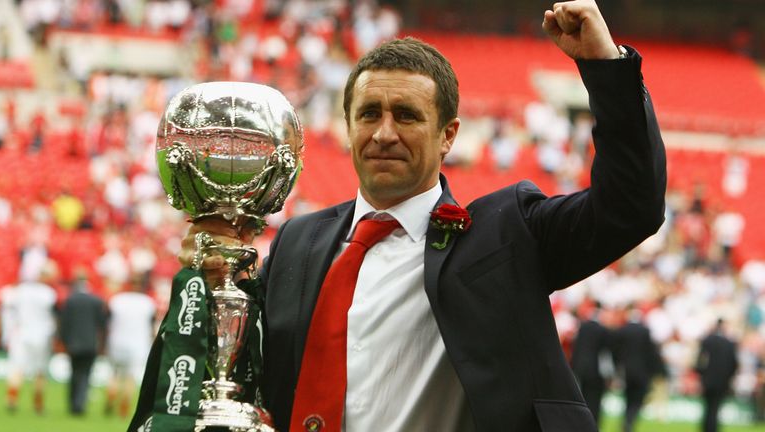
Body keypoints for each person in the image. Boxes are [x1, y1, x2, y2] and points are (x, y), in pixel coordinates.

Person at [175, 1, 667, 430]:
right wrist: (211, 274)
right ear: (348, 126)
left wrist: (606, 67)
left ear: (448, 135)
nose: (384, 133)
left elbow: (631, 206)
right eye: (369, 113)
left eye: (406, 115)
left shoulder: (508, 234)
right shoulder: (298, 240)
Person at [4, 265, 58, 414]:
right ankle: (38, 404)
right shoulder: (49, 293)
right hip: (41, 335)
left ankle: (12, 400)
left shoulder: (21, 290)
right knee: (40, 371)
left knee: (17, 367)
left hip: (21, 333)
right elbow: (52, 316)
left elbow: (10, 310)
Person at [105, 277, 156, 418]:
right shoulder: (148, 303)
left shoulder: (118, 300)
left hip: (117, 341)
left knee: (114, 373)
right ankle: (125, 403)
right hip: (138, 343)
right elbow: (152, 326)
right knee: (130, 376)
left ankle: (111, 395)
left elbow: (109, 322)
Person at [58, 270, 107, 415]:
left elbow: (64, 323)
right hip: (90, 343)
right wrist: (102, 344)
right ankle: (80, 403)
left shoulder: (70, 300)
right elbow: (102, 324)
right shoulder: (96, 300)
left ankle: (73, 404)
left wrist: (64, 340)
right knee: (85, 374)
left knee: (74, 373)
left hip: (73, 343)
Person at [612, 308, 666, 432]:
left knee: (628, 398)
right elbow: (651, 353)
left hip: (627, 372)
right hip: (642, 373)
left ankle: (627, 422)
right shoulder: (645, 331)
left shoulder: (622, 331)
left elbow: (615, 351)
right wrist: (658, 371)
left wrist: (618, 366)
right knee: (637, 400)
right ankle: (629, 422)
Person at [570, 302, 613, 425]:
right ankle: (592, 423)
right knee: (595, 399)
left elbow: (576, 349)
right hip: (596, 370)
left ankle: (581, 423)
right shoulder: (602, 330)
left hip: (580, 368)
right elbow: (605, 354)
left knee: (582, 398)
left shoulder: (582, 328)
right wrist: (609, 374)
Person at [695, 318, 738, 432]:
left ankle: (706, 428)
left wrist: (702, 374)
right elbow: (733, 364)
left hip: (708, 380)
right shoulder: (729, 343)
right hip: (722, 381)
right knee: (715, 407)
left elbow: (700, 361)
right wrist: (729, 378)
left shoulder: (707, 341)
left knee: (708, 407)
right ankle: (713, 428)